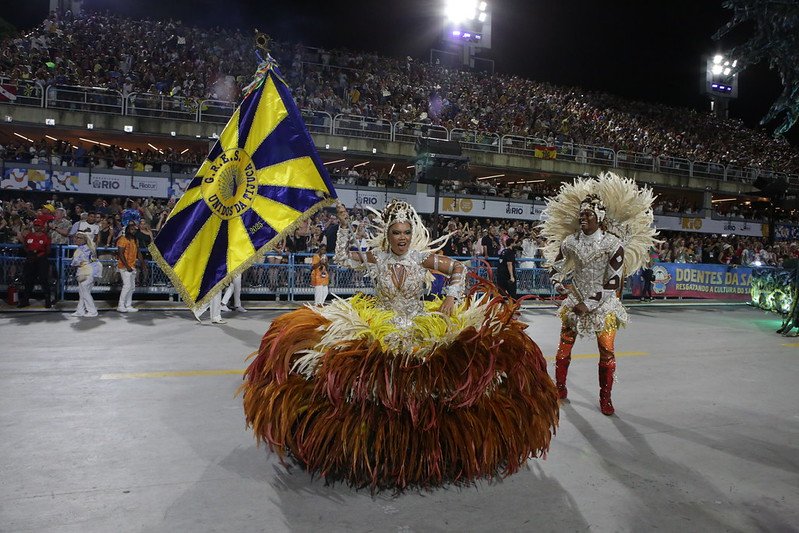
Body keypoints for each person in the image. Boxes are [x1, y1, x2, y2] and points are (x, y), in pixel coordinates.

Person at [240, 199, 558, 490]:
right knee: (374, 383)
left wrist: (450, 299)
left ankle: (426, 448)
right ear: (388, 234)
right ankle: (374, 449)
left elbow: (459, 269)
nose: (402, 237)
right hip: (381, 323)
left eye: (406, 232)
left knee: (424, 382)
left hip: (419, 323)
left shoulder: (421, 257)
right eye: (396, 232)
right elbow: (340, 259)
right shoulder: (375, 257)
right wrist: (344, 225)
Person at [542, 172, 657, 416]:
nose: (583, 217)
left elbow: (613, 282)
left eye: (588, 214)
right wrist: (563, 288)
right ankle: (559, 387)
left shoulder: (613, 245)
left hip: (603, 305)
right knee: (564, 348)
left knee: (606, 351)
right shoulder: (570, 242)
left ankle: (605, 398)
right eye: (581, 214)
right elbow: (556, 270)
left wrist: (590, 304)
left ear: (600, 217)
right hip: (575, 302)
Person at [17, 217, 52, 308]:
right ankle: (25, 300)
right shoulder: (29, 235)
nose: (37, 227)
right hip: (30, 259)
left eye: (38, 225)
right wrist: (30, 253)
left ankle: (47, 300)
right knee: (28, 280)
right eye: (35, 225)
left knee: (44, 279)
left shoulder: (45, 237)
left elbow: (48, 250)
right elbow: (25, 245)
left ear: (42, 227)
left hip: (41, 259)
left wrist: (39, 255)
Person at [70, 231, 101, 317]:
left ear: (84, 240)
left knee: (85, 292)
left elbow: (75, 263)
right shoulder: (89, 247)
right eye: (76, 237)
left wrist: (75, 262)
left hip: (86, 272)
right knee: (82, 292)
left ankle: (92, 311)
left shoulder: (81, 250)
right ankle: (80, 311)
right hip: (91, 272)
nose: (76, 239)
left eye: (79, 238)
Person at [116, 222, 141, 313]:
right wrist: (127, 266)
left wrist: (142, 264)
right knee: (127, 286)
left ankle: (128, 305)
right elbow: (120, 253)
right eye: (131, 229)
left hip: (132, 265)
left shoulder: (134, 240)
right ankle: (121, 305)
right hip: (124, 266)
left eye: (134, 229)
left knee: (132, 287)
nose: (133, 231)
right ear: (127, 230)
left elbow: (138, 252)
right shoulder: (123, 239)